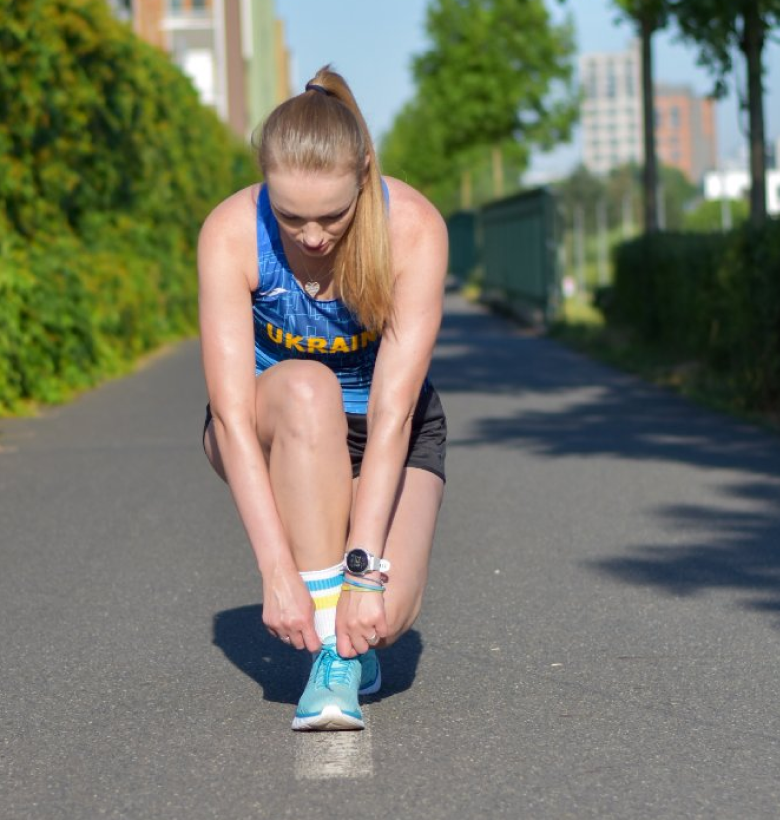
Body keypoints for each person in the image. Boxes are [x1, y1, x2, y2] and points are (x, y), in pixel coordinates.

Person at [198, 66, 448, 731]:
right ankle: (332, 663)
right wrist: (276, 571)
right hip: (277, 420)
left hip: (385, 426)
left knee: (382, 617)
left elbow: (394, 417)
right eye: (291, 217)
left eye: (332, 216)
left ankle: (350, 632)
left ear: (364, 176)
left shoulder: (413, 228)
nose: (312, 237)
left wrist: (364, 576)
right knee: (311, 385)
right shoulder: (231, 231)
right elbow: (230, 417)